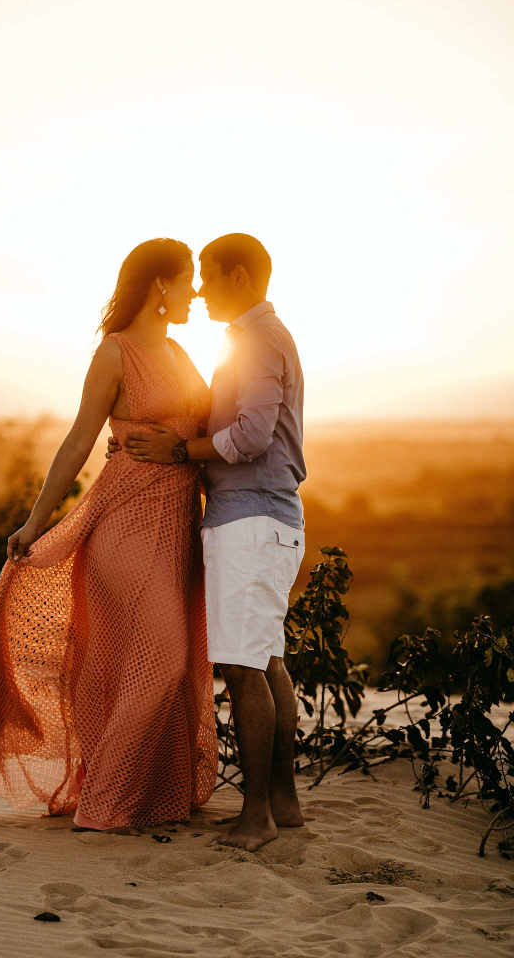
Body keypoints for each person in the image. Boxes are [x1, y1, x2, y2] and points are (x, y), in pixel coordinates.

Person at [0, 238, 218, 833]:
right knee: (162, 660)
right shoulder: (115, 353)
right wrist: (35, 521)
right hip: (124, 525)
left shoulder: (181, 351)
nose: (195, 293)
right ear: (159, 285)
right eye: (187, 281)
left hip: (179, 526)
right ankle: (104, 806)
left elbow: (208, 427)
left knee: (153, 666)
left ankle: (147, 790)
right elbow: (79, 441)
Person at [121, 233, 307, 851]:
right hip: (267, 518)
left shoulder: (257, 341)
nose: (199, 288)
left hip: (249, 520)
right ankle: (282, 800)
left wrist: (179, 450)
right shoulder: (258, 339)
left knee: (243, 666)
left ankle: (256, 817)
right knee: (267, 658)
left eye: (208, 274)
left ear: (240, 274)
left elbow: (249, 436)